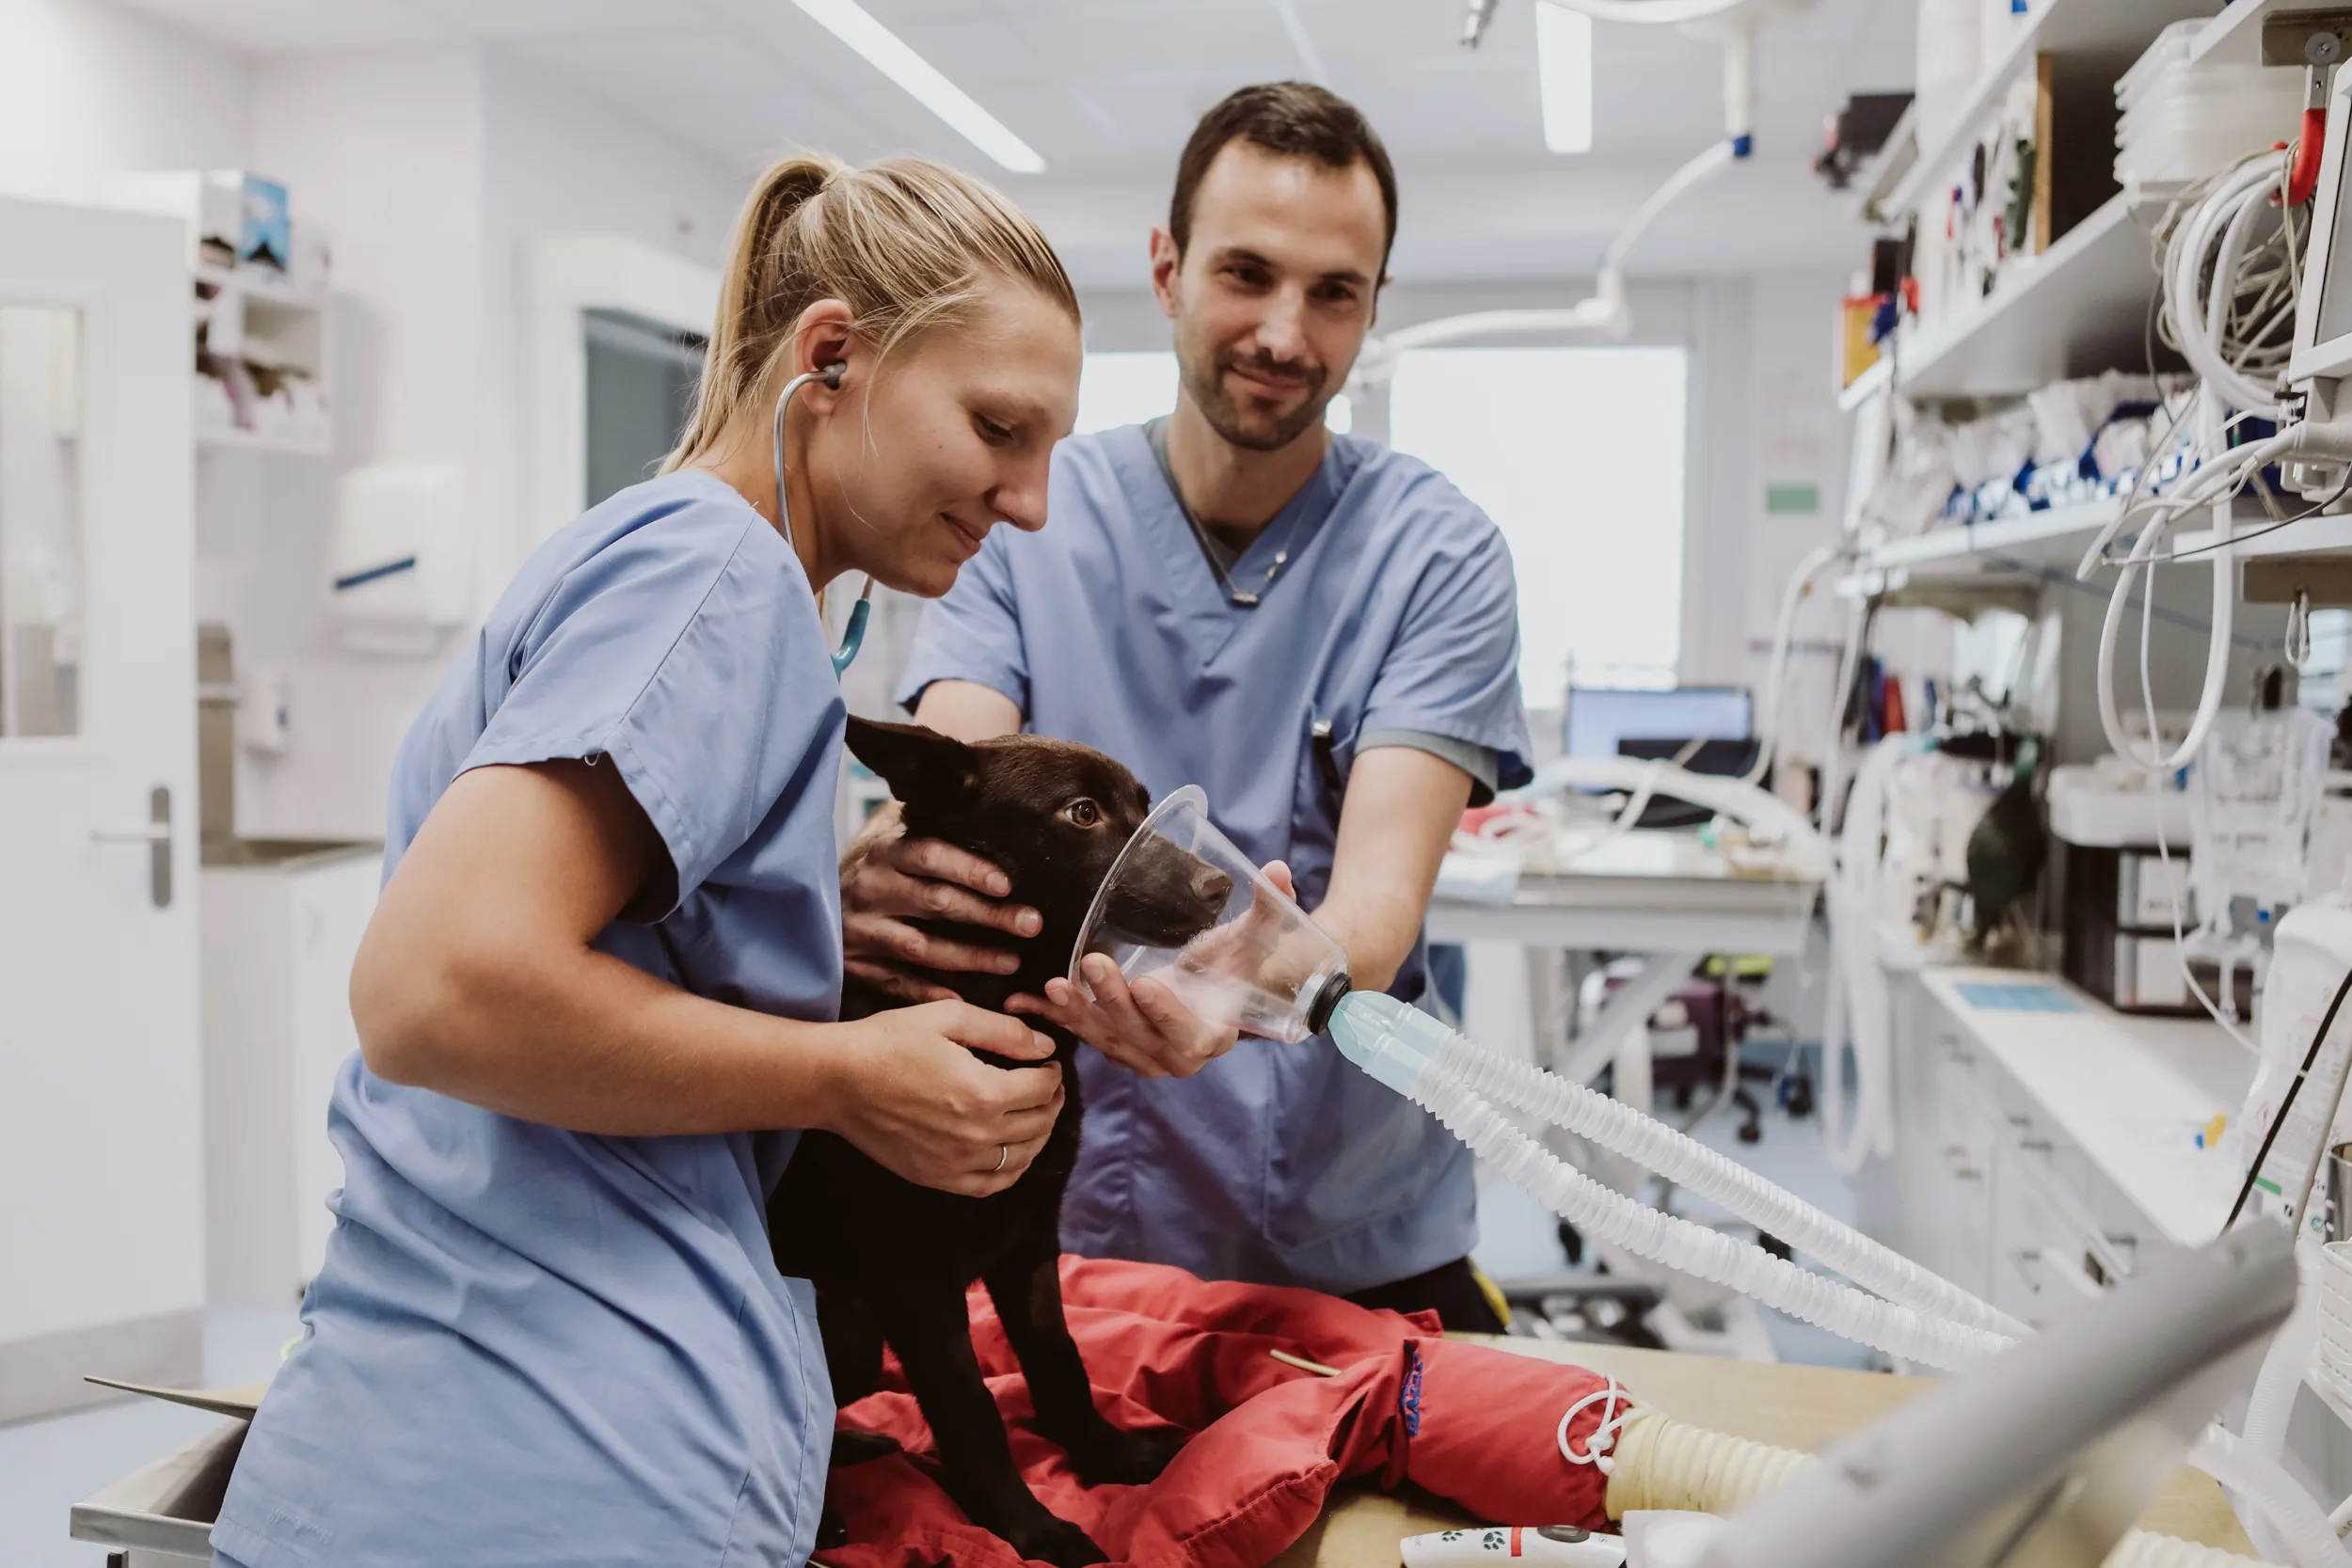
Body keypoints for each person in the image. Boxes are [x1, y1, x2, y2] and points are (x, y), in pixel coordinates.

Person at [210, 153, 1084, 1568]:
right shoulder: (711, 578)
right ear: (833, 357)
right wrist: (850, 1075)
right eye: (1000, 427)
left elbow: (568, 968)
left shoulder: (664, 564)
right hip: (558, 1457)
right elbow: (437, 990)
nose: (1029, 501)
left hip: (454, 1429)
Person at [843, 83, 1531, 1329]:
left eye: (1335, 291)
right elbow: (962, 766)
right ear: (1166, 270)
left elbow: (1376, 902)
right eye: (1247, 273)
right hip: (1069, 1232)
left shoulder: (1437, 556)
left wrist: (1250, 983)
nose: (1285, 330)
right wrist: (906, 871)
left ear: (1375, 305)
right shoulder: (1026, 521)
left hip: (1352, 1239)